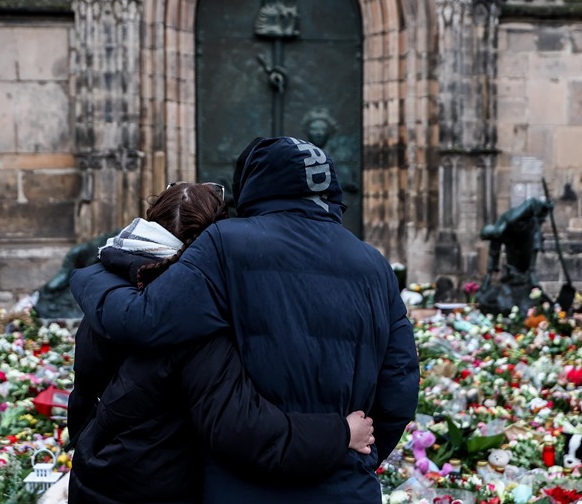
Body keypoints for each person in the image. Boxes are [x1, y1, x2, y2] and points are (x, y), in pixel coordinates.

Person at [70, 137, 419, 503]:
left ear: (253, 185)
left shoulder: (226, 243)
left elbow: (145, 319)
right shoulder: (375, 264)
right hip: (346, 483)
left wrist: (93, 274)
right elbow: (400, 383)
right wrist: (359, 453)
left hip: (242, 484)